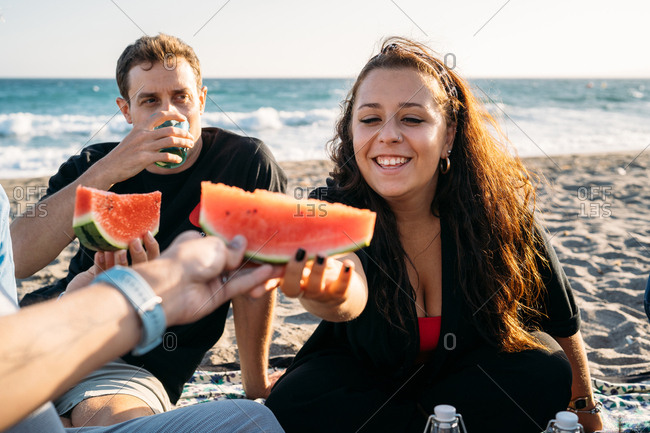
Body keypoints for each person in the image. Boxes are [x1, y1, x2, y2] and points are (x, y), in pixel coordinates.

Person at [264, 38, 604, 432]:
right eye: (370, 119)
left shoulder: (498, 213)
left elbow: (561, 321)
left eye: (412, 119)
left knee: (544, 368)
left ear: (449, 135)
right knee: (298, 397)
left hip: (469, 379)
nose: (387, 135)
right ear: (352, 132)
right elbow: (345, 280)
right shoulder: (335, 210)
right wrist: (328, 287)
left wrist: (587, 410)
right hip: (369, 384)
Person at [10, 33, 286, 426]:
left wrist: (256, 383)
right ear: (125, 110)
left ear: (202, 99)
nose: (169, 112)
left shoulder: (244, 164)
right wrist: (111, 168)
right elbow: (18, 257)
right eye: (149, 100)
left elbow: (255, 278)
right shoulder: (94, 165)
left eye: (181, 96)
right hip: (50, 325)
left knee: (103, 417)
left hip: (129, 366)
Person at [0, 183, 284, 432]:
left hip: (37, 369)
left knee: (251, 421)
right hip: (23, 380)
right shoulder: (95, 160)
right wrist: (152, 288)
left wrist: (79, 300)